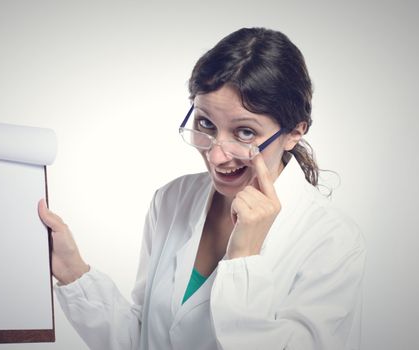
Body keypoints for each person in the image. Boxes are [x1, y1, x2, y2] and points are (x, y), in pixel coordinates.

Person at [38, 27, 366, 350]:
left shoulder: (332, 239)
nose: (216, 154)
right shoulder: (171, 200)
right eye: (206, 124)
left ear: (294, 132)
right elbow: (143, 339)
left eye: (245, 133)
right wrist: (72, 272)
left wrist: (243, 260)